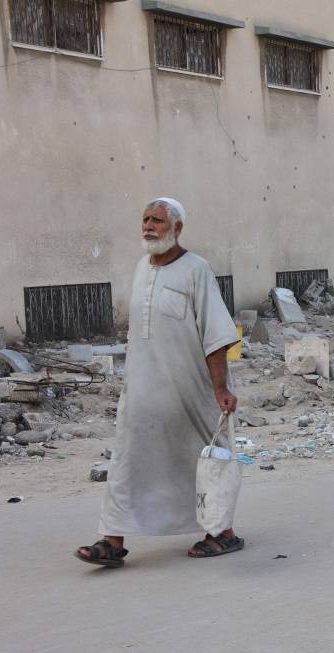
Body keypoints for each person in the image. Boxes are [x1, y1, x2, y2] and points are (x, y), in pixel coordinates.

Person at [75, 198, 243, 567]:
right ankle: (112, 539)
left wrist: (220, 389)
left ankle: (222, 532)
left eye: (158, 221)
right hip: (142, 391)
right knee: (126, 460)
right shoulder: (140, 268)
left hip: (190, 391)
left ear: (178, 228)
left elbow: (216, 335)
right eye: (145, 219)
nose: (149, 226)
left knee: (203, 462)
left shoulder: (197, 270)